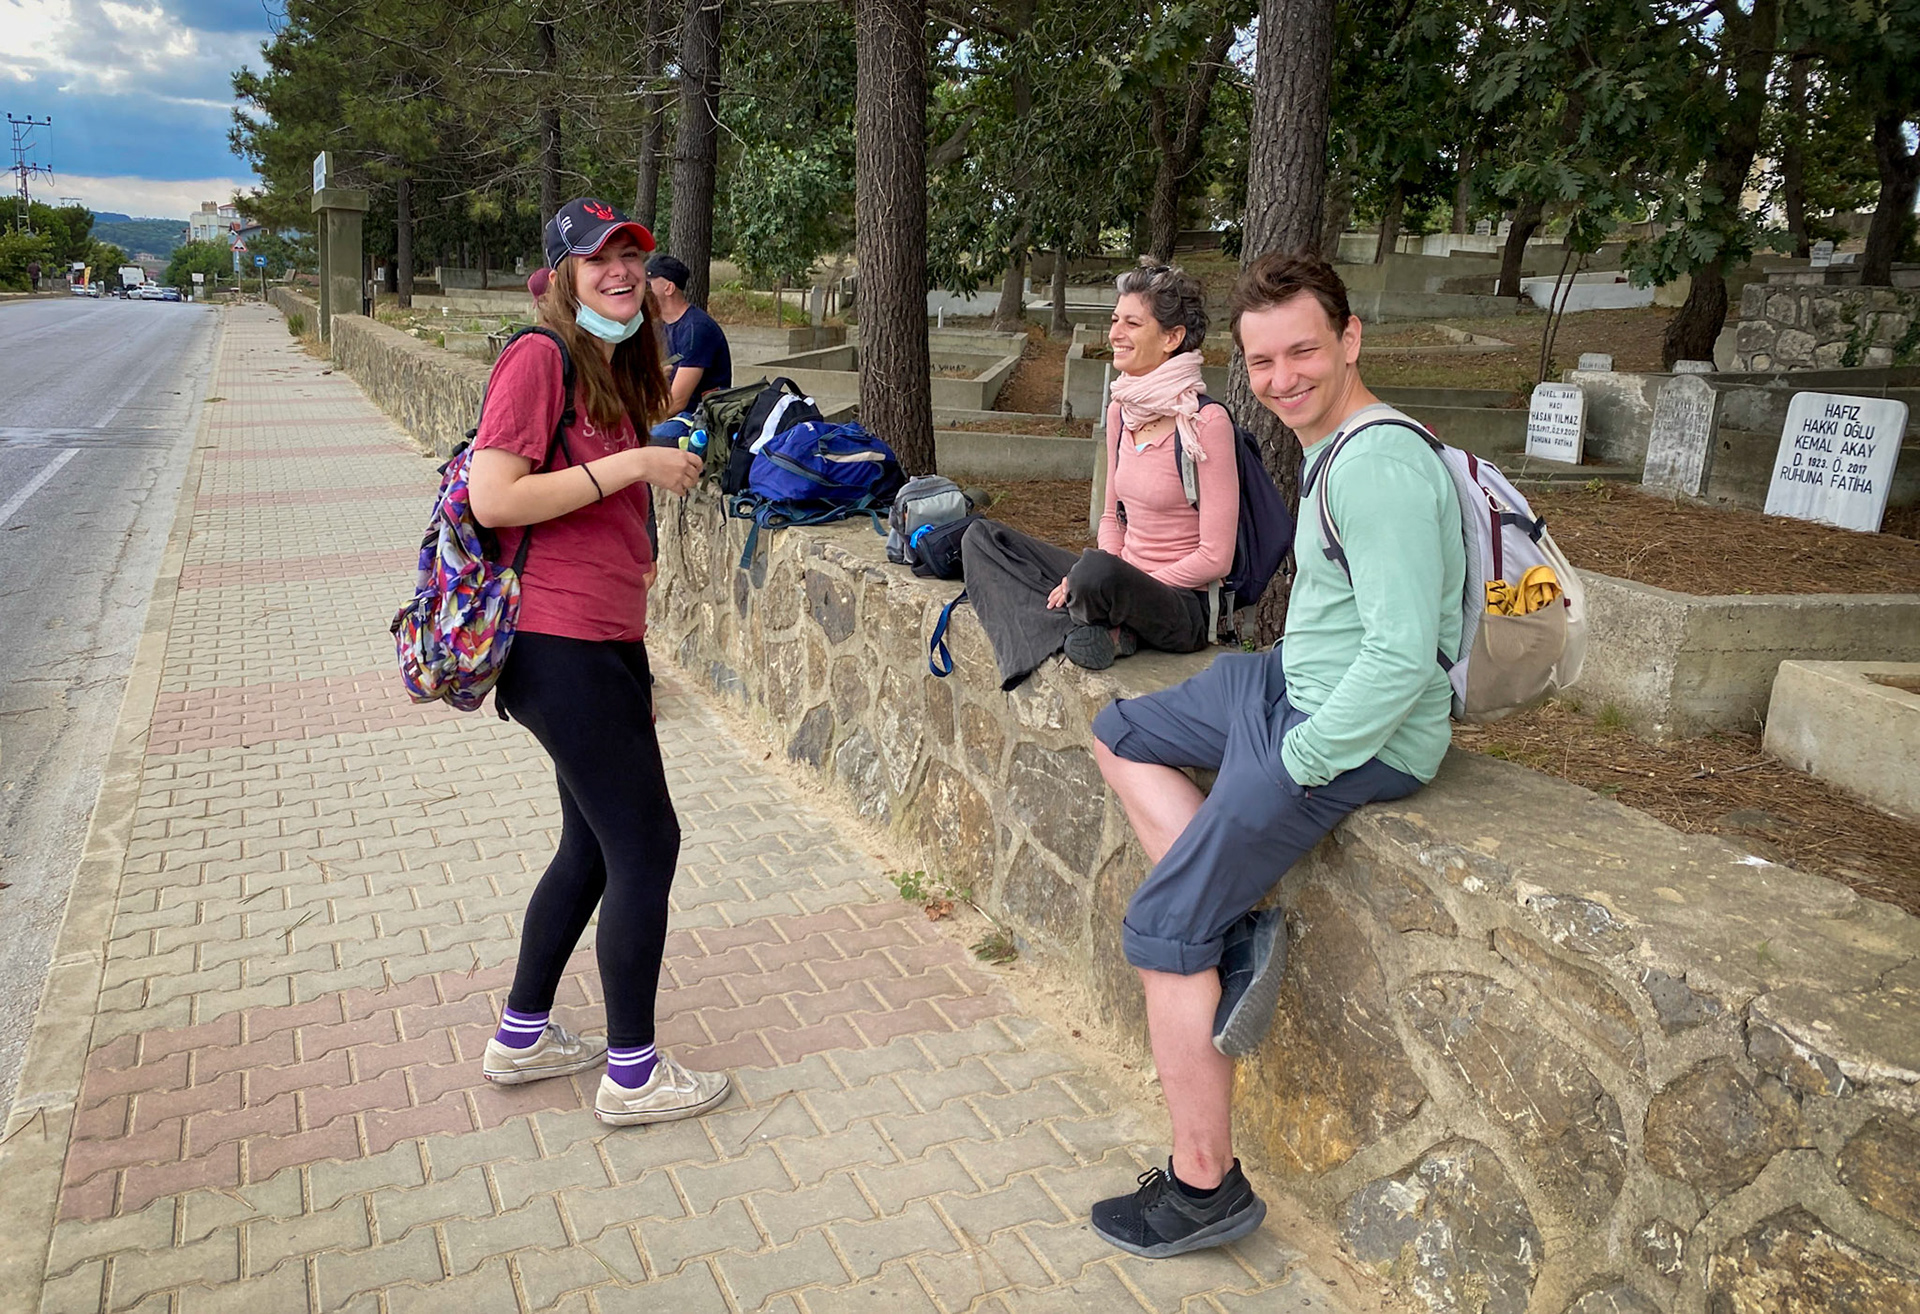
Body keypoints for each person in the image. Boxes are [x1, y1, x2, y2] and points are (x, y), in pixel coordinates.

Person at [1083, 251, 1465, 1257]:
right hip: (1290, 683)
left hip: (1345, 733)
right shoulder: (1336, 441)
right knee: (1119, 729)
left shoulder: (1379, 461)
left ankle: (1204, 1187)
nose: (1282, 376)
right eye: (1261, 360)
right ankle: (1239, 920)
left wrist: (1292, 766)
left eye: (1303, 350)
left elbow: (1395, 661)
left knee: (1164, 929)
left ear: (1350, 339)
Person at [466, 197, 728, 1126]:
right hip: (556, 643)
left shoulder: (613, 363)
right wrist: (632, 469)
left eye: (631, 257)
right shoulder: (538, 359)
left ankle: (523, 1033)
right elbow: (494, 498)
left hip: (604, 642)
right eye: (597, 260)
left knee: (589, 845)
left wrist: (650, 452)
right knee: (646, 844)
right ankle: (633, 1075)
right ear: (562, 275)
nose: (619, 273)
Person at [960, 263, 1238, 689]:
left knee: (1094, 575)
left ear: (1172, 337)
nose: (1114, 334)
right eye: (1114, 320)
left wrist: (1121, 579)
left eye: (1132, 323)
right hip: (1118, 578)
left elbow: (1216, 557)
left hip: (1181, 605)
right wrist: (1111, 570)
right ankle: (1092, 628)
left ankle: (1093, 619)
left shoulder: (1205, 422)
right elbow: (1111, 518)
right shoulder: (1120, 413)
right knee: (980, 538)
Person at [645, 253, 733, 444]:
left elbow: (677, 402)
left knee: (642, 442)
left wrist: (637, 423)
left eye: (648, 284)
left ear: (669, 288)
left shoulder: (697, 329)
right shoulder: (656, 326)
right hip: (668, 415)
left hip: (696, 420)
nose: (641, 290)